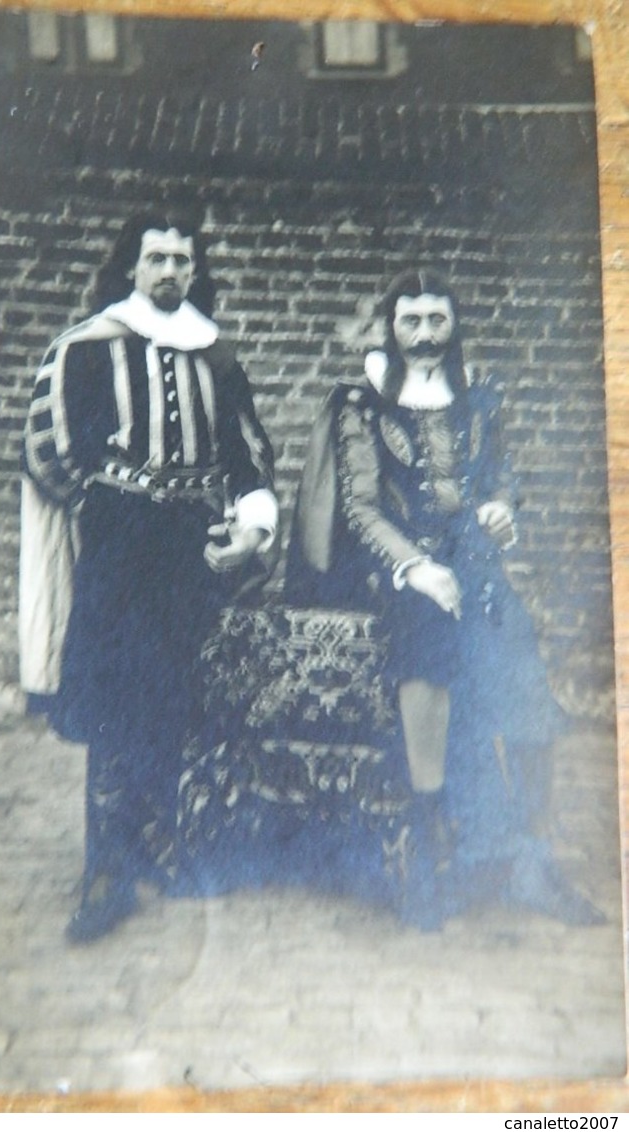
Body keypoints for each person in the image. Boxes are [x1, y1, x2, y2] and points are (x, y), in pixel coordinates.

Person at [286, 268, 602, 931]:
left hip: (474, 561)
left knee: (516, 655)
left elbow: (499, 478)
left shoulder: (478, 401)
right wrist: (414, 567)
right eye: (411, 321)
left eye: (436, 320)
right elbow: (362, 509)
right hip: (396, 564)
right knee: (427, 632)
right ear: (390, 327)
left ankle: (531, 858)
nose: (425, 335)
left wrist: (499, 510)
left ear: (451, 326)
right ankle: (432, 844)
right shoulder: (365, 408)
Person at [19, 210, 278, 942]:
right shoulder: (89, 347)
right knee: (112, 689)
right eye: (155, 258)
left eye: (181, 261)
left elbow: (250, 453)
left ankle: (159, 837)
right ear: (130, 267)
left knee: (171, 689)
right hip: (118, 539)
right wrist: (103, 500)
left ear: (195, 272)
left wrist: (251, 524)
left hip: (188, 543)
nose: (169, 272)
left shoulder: (216, 357)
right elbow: (49, 442)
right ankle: (106, 862)